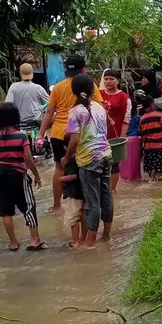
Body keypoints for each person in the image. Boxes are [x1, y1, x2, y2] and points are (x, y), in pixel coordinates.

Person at [38, 55, 102, 212]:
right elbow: (99, 107)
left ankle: (56, 205)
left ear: (66, 70)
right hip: (83, 134)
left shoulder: (58, 87)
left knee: (59, 168)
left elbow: (49, 112)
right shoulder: (90, 86)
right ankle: (85, 204)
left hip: (59, 133)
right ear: (84, 69)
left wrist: (40, 134)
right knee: (85, 167)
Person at [63, 73, 113, 249]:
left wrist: (67, 157)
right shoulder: (99, 108)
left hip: (89, 159)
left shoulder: (75, 111)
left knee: (92, 202)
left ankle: (90, 243)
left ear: (74, 91)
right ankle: (106, 236)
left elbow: (74, 140)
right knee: (106, 197)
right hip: (106, 155)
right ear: (92, 90)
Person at [0, 102, 45, 251]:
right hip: (18, 174)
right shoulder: (21, 136)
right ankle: (35, 239)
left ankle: (13, 242)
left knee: (6, 210)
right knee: (29, 206)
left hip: (0, 174)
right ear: (16, 117)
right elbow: (28, 158)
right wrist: (37, 175)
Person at [101, 69, 130, 192]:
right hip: (99, 135)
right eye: (106, 79)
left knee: (114, 164)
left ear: (117, 81)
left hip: (115, 135)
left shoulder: (124, 97)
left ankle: (112, 190)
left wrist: (121, 138)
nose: (108, 81)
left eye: (111, 79)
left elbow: (126, 119)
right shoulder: (98, 94)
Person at [59, 141, 87, 249]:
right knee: (84, 218)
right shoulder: (84, 158)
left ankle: (75, 242)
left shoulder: (70, 161)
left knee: (73, 218)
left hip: (74, 194)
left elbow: (74, 176)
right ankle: (83, 239)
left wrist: (60, 179)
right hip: (85, 193)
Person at [138, 95, 162, 180]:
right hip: (157, 145)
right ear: (152, 105)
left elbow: (141, 131)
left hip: (147, 146)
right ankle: (153, 179)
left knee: (149, 163)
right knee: (156, 164)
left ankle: (150, 177)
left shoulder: (142, 118)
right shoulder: (158, 115)